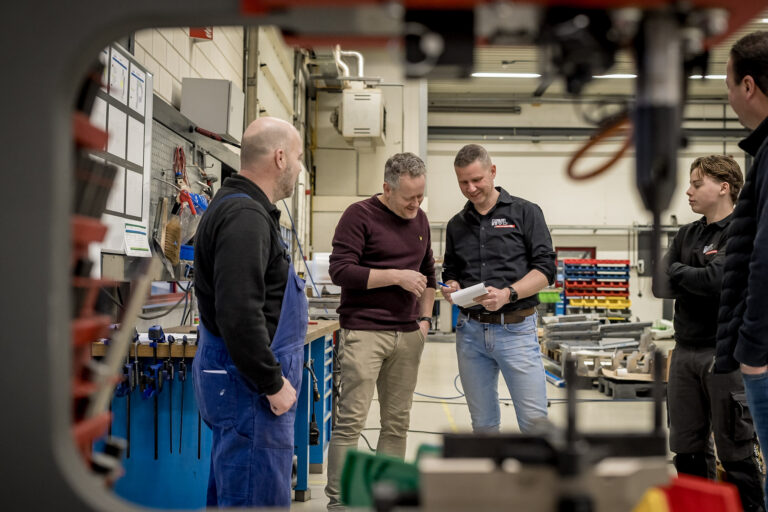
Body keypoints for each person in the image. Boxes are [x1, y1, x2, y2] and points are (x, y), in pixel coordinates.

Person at [191, 117, 305, 508]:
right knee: (252, 499)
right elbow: (239, 314)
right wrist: (272, 383)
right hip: (249, 391)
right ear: (279, 158)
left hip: (239, 385)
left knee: (235, 492)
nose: (300, 169)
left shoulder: (237, 208)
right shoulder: (246, 218)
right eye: (299, 158)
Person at [325, 152, 436, 510]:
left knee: (397, 422)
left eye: (420, 197)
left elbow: (429, 274)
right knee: (351, 421)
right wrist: (395, 276)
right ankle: (341, 501)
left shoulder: (421, 220)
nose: (415, 205)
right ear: (386, 188)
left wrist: (425, 320)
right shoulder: (359, 216)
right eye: (409, 198)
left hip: (408, 334)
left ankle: (388, 498)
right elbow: (341, 271)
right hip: (364, 332)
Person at [656, 155, 763, 511]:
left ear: (724, 187)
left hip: (725, 354)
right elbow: (660, 284)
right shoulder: (687, 233)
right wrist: (697, 274)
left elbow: (717, 281)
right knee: (686, 451)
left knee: (735, 453)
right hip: (684, 352)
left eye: (697, 184)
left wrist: (681, 271)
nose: (687, 191)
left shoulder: (742, 231)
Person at [441, 144, 555, 434]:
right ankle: (491, 480)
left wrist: (508, 294)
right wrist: (452, 285)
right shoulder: (456, 225)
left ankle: (536, 480)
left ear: (492, 172)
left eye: (477, 179)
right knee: (483, 425)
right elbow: (451, 270)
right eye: (463, 182)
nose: (471, 188)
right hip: (470, 333)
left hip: (516, 330)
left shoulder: (526, 212)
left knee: (534, 424)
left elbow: (545, 270)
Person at [716, 30, 768, 510]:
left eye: (729, 84)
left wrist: (752, 349)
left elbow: (762, 258)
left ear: (748, 86)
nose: (728, 96)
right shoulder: (764, 152)